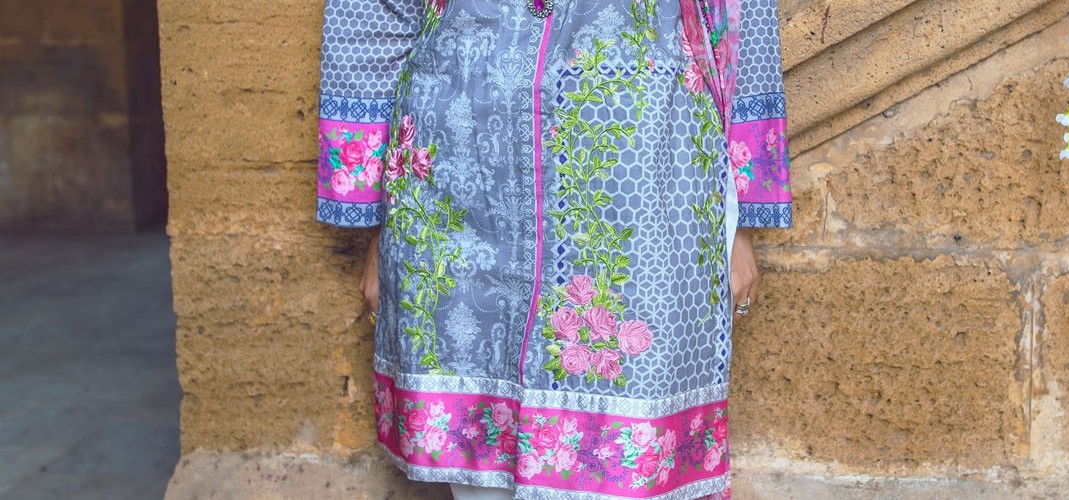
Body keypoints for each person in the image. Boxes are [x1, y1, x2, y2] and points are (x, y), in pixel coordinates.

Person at [316, 0, 791, 498]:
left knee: (632, 451)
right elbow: (374, 16)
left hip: (644, 172)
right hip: (456, 160)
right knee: (481, 471)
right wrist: (375, 224)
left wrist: (743, 221)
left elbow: (744, 16)